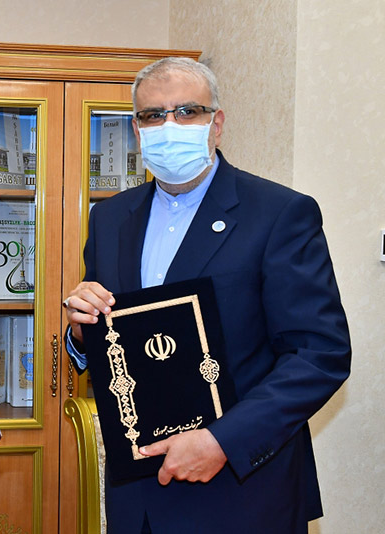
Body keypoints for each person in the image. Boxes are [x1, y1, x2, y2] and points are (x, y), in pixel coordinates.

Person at [64, 57, 350, 533]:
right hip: (138, 499)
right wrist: (80, 333)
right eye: (152, 115)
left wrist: (222, 441)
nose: (169, 126)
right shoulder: (110, 218)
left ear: (216, 124)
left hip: (242, 494)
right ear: (136, 130)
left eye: (186, 111)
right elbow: (115, 342)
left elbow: (320, 355)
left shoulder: (279, 213)